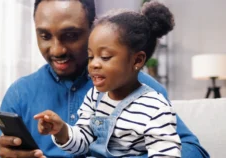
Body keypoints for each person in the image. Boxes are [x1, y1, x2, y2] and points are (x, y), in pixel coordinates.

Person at [0, 0, 209, 158]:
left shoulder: (146, 91)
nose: (57, 50)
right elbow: (82, 137)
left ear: (92, 31)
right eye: (45, 36)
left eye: (71, 35)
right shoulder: (19, 93)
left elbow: (193, 150)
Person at [34, 2, 181, 157]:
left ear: (137, 60)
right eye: (91, 57)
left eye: (105, 57)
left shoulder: (155, 107)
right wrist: (61, 130)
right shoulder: (94, 97)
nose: (94, 64)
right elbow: (82, 143)